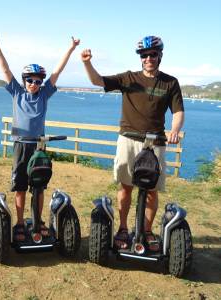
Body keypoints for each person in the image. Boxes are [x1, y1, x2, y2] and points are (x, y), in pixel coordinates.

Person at [81, 36, 185, 250]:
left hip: (155, 142)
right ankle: (123, 228)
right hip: (128, 139)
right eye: (144, 55)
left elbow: (178, 111)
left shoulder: (170, 82)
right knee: (126, 186)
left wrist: (175, 129)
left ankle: (146, 231)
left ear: (159, 56)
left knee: (152, 189)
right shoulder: (129, 78)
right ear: (140, 58)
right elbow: (97, 81)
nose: (148, 58)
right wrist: (86, 63)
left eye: (152, 54)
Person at [0, 33, 80, 241]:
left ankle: (38, 222)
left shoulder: (45, 94)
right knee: (20, 186)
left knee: (39, 187)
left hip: (39, 146)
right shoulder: (17, 93)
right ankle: (20, 223)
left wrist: (71, 49)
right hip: (21, 146)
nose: (34, 83)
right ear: (24, 81)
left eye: (38, 81)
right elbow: (5, 69)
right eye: (30, 80)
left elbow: (57, 72)